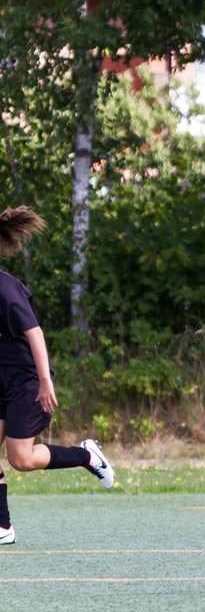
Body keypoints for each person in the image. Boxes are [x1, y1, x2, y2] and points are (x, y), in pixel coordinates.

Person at [0, 206, 115, 547]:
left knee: (20, 459)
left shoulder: (5, 289)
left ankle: (87, 456)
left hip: (25, 378)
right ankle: (3, 527)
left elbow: (34, 333)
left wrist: (45, 380)